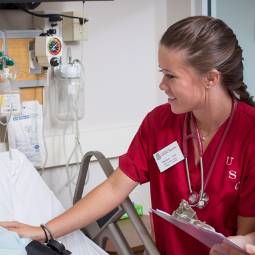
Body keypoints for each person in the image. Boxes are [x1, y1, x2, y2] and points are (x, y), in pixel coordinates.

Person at [1, 15, 255, 255]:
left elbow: (245, 235)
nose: (162, 85)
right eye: (161, 73)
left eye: (171, 76)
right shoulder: (160, 123)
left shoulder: (249, 134)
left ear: (210, 78)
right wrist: (45, 231)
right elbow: (114, 188)